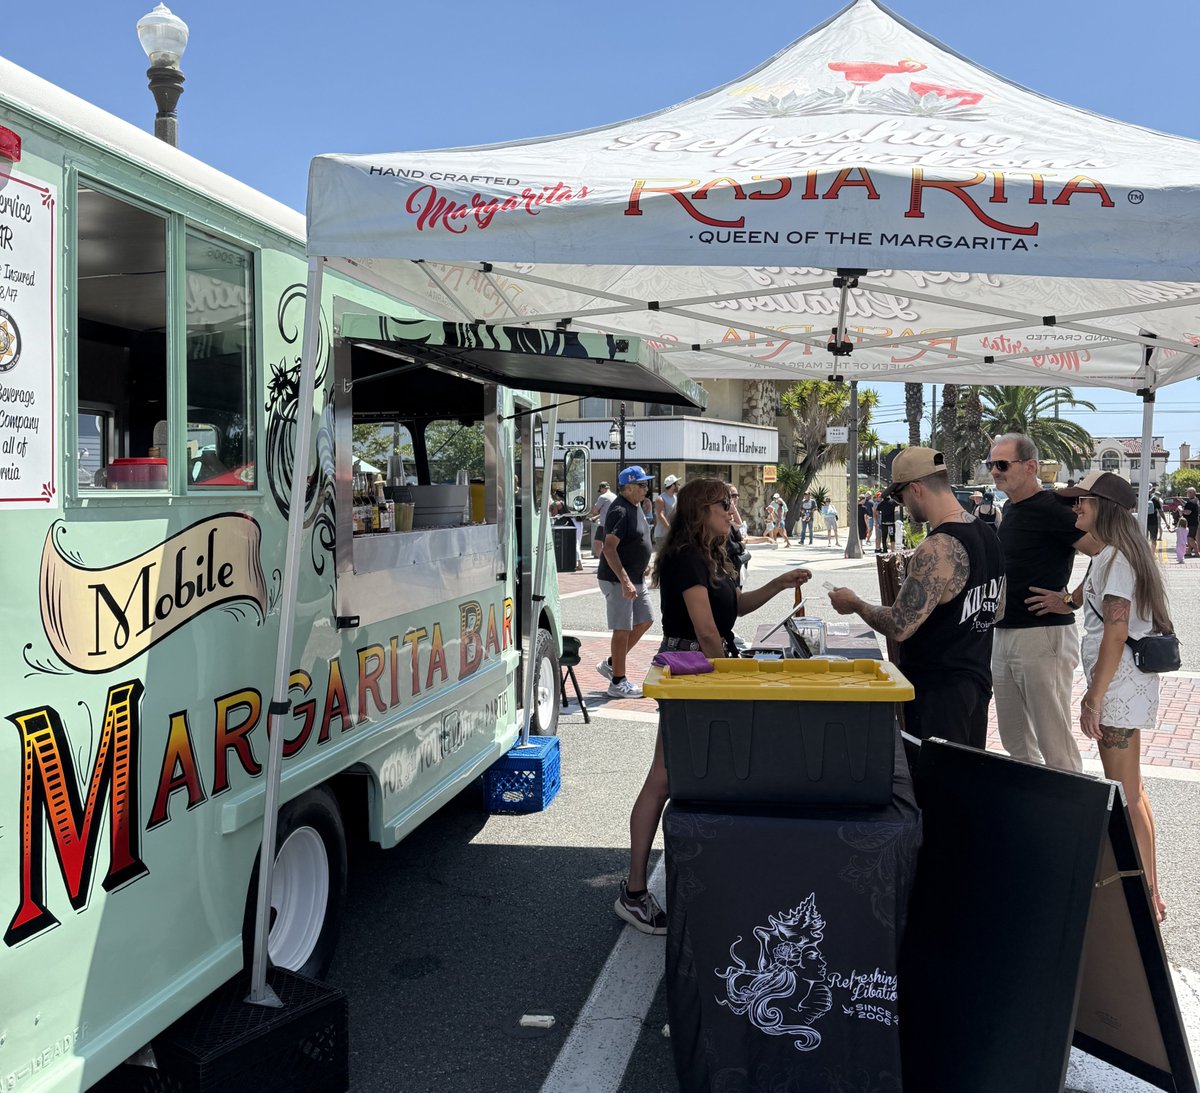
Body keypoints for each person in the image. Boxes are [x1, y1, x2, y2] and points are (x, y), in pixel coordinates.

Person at [614, 478, 812, 933]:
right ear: (703, 510)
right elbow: (706, 633)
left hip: (706, 670)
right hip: (691, 672)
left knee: (687, 774)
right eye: (727, 503)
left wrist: (781, 584)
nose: (733, 510)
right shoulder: (686, 556)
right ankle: (635, 891)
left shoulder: (713, 553)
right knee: (662, 779)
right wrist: (732, 681)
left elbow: (734, 608)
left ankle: (687, 882)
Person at [1051, 471, 1173, 923]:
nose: (1075, 507)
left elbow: (1116, 631)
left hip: (1119, 688)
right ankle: (1149, 889)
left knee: (1126, 790)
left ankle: (1144, 894)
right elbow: (1090, 600)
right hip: (1120, 685)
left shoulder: (1117, 559)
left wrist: (1093, 698)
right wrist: (1064, 600)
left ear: (1104, 506)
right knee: (1132, 789)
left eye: (1082, 501)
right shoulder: (1108, 555)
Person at [828, 447, 1005, 748]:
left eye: (900, 497)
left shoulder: (938, 547)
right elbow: (997, 610)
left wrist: (856, 604)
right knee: (965, 783)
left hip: (938, 693)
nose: (903, 505)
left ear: (916, 489)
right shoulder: (988, 534)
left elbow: (900, 625)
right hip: (976, 684)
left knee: (935, 789)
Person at [988, 434, 1099, 772]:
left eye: (1002, 464)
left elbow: (1106, 551)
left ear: (1030, 466)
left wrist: (1070, 599)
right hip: (1005, 633)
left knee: (1055, 745)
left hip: (1042, 636)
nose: (994, 471)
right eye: (991, 464)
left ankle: (1070, 820)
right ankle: (1031, 816)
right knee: (1016, 741)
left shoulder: (1054, 508)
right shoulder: (1011, 507)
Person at [597, 466, 656, 698]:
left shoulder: (636, 506)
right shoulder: (620, 510)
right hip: (617, 579)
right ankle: (618, 682)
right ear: (628, 487)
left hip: (635, 577)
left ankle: (612, 663)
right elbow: (609, 548)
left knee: (646, 620)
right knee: (622, 629)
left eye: (646, 484)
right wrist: (624, 581)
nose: (646, 489)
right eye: (641, 485)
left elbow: (638, 539)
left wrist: (645, 561)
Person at [589, 481, 616, 558]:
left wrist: (595, 513)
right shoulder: (615, 497)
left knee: (597, 543)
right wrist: (597, 517)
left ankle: (602, 561)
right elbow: (608, 511)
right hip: (614, 524)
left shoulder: (603, 497)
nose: (600, 492)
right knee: (610, 544)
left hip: (604, 525)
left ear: (602, 488)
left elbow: (595, 510)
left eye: (600, 490)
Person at [654, 475, 680, 543]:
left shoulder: (676, 498)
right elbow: (660, 516)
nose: (679, 486)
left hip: (672, 535)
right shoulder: (660, 499)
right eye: (677, 484)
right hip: (662, 536)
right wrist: (671, 530)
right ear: (672, 486)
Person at [1182, 487, 1199, 557]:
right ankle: (1189, 551)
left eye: (1189, 492)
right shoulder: (1195, 500)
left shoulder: (1191, 502)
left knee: (1190, 538)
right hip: (1192, 522)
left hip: (1191, 523)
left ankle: (1197, 552)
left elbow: (1188, 512)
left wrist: (1180, 510)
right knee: (1188, 538)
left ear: (1192, 493)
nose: (1187, 493)